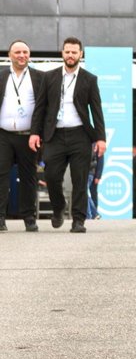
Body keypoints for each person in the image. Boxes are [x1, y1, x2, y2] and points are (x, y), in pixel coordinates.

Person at [29, 37, 106, 234]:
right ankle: (59, 207)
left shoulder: (90, 79)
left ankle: (79, 220)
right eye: (67, 51)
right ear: (62, 53)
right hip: (54, 135)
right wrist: (34, 133)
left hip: (80, 135)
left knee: (80, 179)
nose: (70, 55)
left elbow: (97, 111)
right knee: (51, 176)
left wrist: (101, 138)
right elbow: (40, 108)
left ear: (81, 54)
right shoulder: (49, 77)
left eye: (74, 52)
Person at [0, 39, 46, 232]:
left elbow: (44, 107)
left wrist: (38, 132)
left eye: (25, 52)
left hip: (29, 136)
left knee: (29, 177)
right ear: (9, 55)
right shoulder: (1, 75)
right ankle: (0, 218)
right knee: (0, 176)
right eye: (17, 52)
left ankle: (29, 217)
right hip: (3, 135)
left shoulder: (39, 77)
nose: (21, 56)